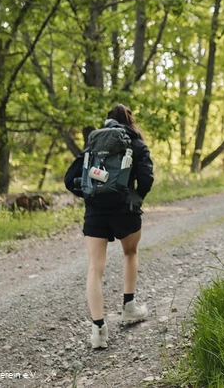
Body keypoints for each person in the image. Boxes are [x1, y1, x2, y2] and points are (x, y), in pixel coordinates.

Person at [65, 104, 155, 349]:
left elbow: (69, 179)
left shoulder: (93, 144)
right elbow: (147, 178)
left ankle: (98, 330)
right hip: (126, 210)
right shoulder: (136, 144)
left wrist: (90, 194)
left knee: (95, 268)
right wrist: (136, 197)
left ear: (107, 121)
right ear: (130, 120)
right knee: (130, 252)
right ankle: (129, 307)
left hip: (95, 212)